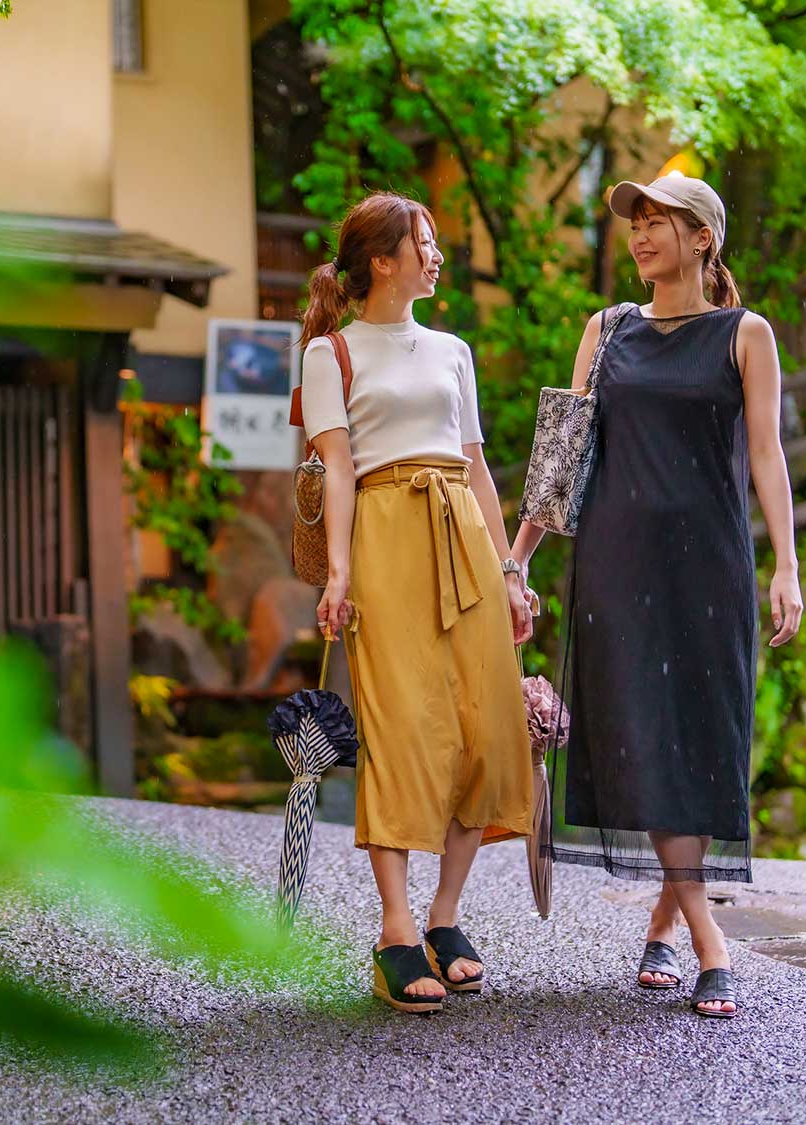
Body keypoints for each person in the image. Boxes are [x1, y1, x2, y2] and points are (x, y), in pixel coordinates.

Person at [509, 175, 803, 1020]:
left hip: (708, 565)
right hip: (617, 564)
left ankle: (665, 926)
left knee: (701, 743)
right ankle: (709, 939)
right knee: (644, 734)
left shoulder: (746, 334)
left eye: (658, 222)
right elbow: (564, 451)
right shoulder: (604, 331)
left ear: (702, 238)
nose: (640, 236)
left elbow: (767, 454)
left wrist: (786, 566)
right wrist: (518, 557)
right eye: (635, 224)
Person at [299, 191, 535, 1015]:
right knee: (401, 728)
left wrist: (509, 570)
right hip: (383, 539)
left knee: (485, 723)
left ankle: (445, 916)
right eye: (425, 242)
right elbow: (336, 468)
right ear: (382, 261)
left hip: (463, 535)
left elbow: (474, 465)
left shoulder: (453, 350)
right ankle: (397, 930)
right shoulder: (331, 354)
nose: (438, 255)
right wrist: (338, 574)